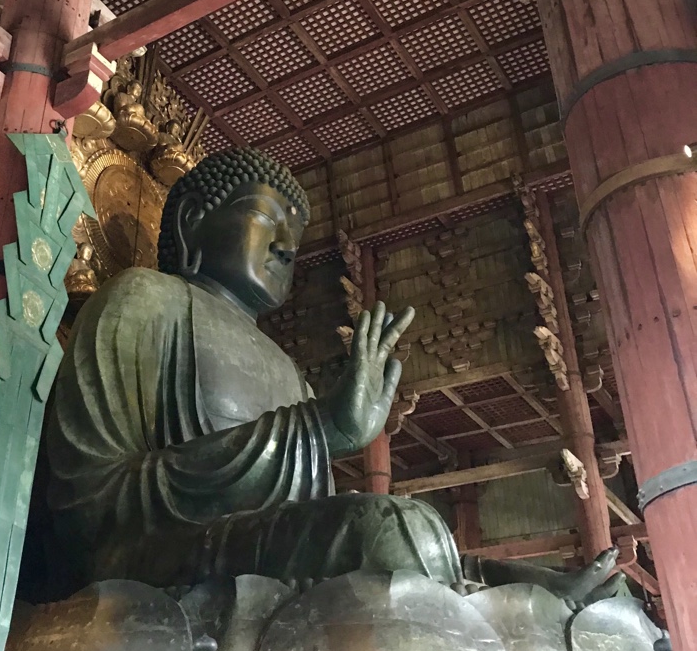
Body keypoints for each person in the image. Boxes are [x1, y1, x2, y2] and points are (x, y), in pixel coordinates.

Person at [42, 147, 621, 604]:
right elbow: (88, 505)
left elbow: (309, 522)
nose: (287, 248)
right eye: (268, 220)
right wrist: (319, 430)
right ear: (195, 220)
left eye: (295, 237)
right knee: (389, 532)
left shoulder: (287, 370)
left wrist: (514, 576)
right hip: (153, 557)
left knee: (410, 529)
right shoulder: (144, 300)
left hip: (255, 551)